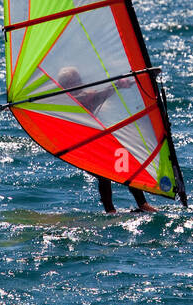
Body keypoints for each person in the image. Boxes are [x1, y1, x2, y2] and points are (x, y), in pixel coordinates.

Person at [56, 66, 155, 214]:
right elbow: (91, 97)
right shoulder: (68, 101)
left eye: (79, 80)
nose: (80, 83)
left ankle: (142, 204)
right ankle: (110, 210)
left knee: (127, 161)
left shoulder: (84, 94)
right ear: (65, 86)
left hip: (95, 140)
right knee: (104, 173)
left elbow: (98, 95)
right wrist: (115, 86)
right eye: (75, 81)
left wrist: (121, 84)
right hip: (79, 146)